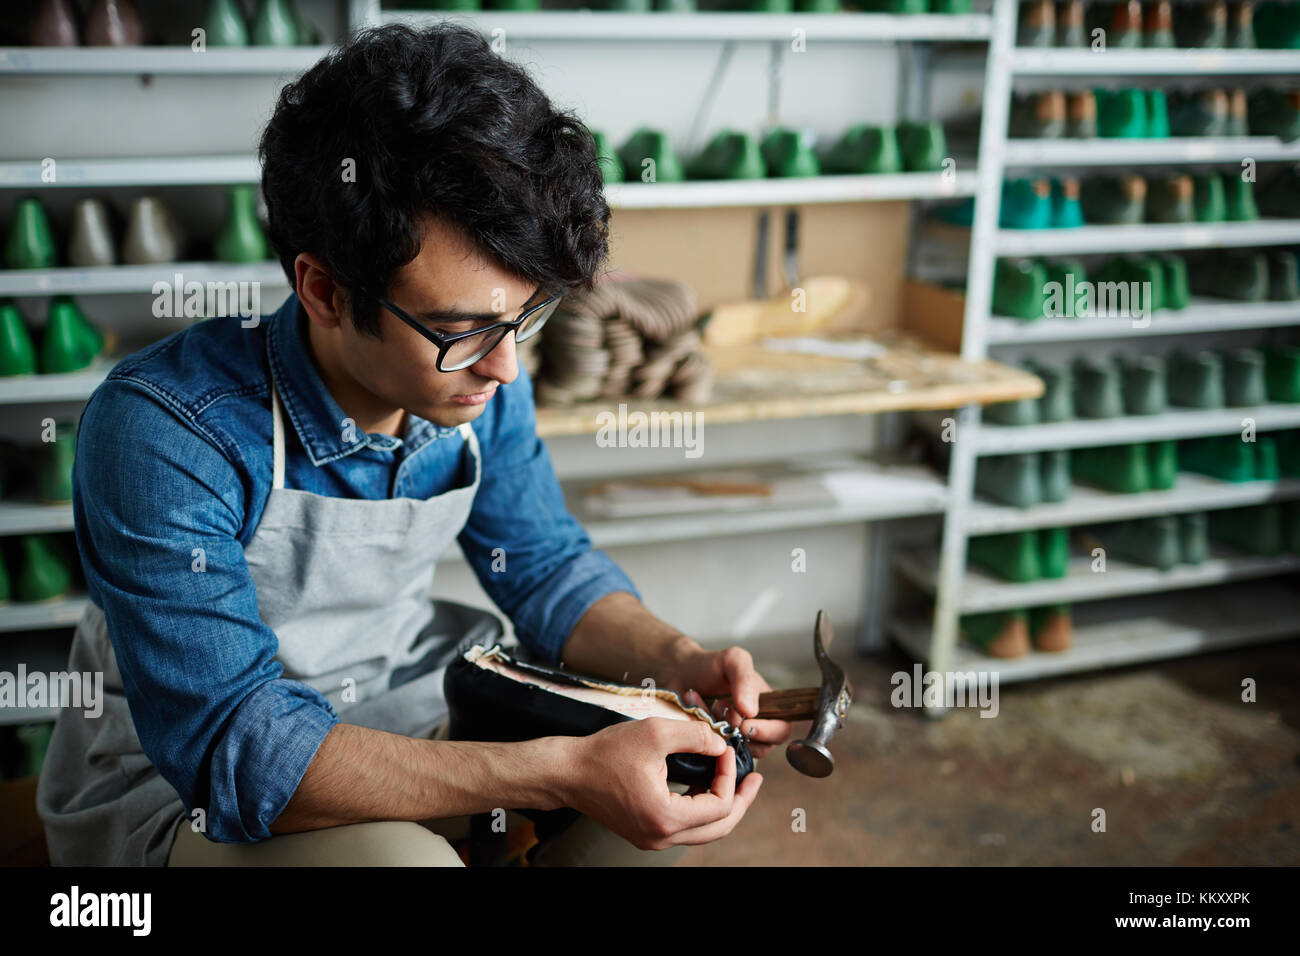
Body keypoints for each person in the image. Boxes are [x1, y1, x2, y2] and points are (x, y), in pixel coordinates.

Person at [36, 22, 789, 867]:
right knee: (402, 865)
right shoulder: (166, 431)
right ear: (322, 288)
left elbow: (542, 565)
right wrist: (562, 770)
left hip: (404, 704)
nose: (505, 366)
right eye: (460, 329)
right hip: (183, 781)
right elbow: (237, 752)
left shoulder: (475, 374)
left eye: (525, 317)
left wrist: (678, 659)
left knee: (672, 782)